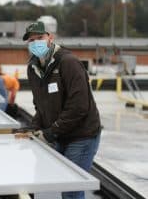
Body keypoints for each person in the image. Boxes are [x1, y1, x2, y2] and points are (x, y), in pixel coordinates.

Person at [23, 21, 101, 199]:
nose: (36, 43)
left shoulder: (68, 62)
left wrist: (51, 132)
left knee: (71, 190)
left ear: (50, 37)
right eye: (31, 40)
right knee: (46, 179)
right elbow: (40, 104)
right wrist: (33, 127)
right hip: (60, 134)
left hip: (81, 136)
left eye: (40, 38)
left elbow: (79, 106)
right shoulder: (33, 67)